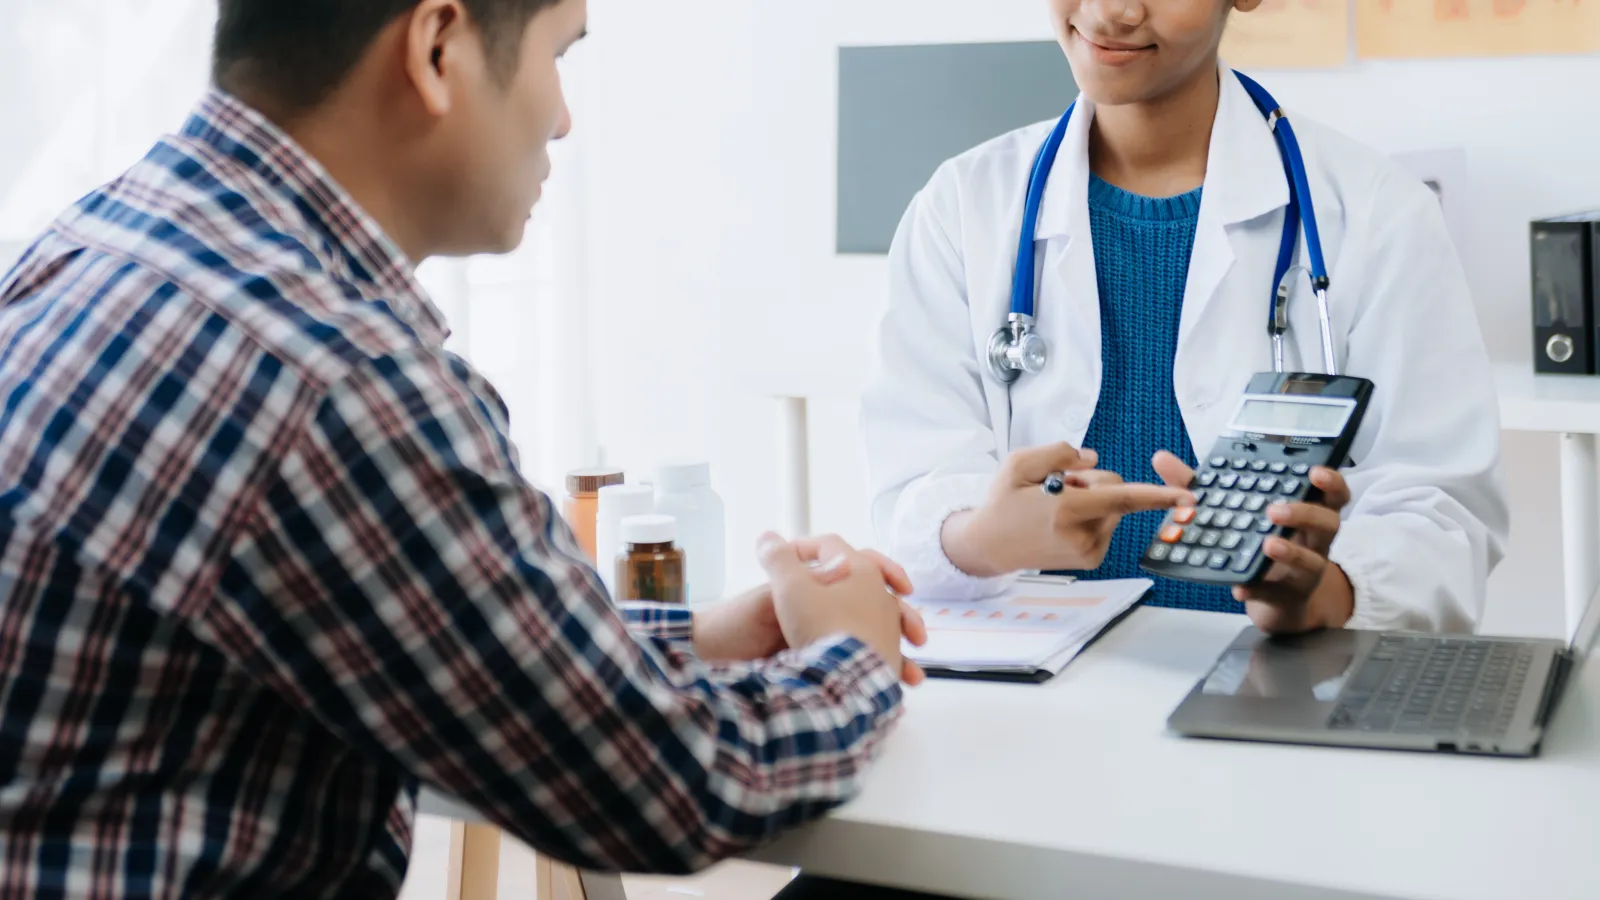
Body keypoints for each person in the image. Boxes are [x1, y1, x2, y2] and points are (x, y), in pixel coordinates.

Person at [0, 0, 928, 896]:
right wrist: (851, 655)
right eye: (560, 55)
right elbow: (668, 788)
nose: (564, 122)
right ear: (439, 47)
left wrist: (692, 642)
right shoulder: (339, 380)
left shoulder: (91, 244)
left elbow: (425, 633)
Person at [858, 0, 1511, 640]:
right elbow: (910, 492)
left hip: (1276, 695)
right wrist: (980, 536)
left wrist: (1325, 593)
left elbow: (1445, 512)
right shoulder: (962, 208)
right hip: (1032, 694)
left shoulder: (1377, 212)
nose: (1112, 10)